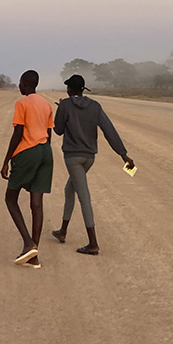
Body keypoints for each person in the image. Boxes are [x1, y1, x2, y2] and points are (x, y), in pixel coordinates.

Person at [51, 74, 135, 256]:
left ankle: (93, 243)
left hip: (72, 157)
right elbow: (109, 130)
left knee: (84, 197)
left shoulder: (65, 105)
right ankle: (62, 231)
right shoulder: (95, 106)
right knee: (69, 190)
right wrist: (123, 154)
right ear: (83, 89)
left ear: (70, 89)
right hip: (89, 157)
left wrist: (62, 112)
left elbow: (58, 131)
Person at [0, 70, 54, 269]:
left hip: (27, 152)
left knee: (10, 198)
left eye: (20, 83)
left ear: (25, 84)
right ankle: (33, 255)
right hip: (46, 152)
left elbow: (18, 134)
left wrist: (6, 160)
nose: (19, 86)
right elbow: (49, 134)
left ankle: (28, 242)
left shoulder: (22, 104)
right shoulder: (46, 104)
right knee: (36, 203)